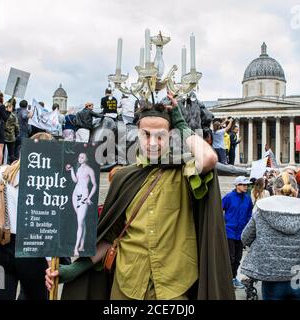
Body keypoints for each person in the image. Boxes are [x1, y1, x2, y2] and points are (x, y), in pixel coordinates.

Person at [46, 93, 235, 300]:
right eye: (146, 134)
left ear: (171, 136)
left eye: (160, 136)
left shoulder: (184, 172)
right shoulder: (124, 178)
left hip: (174, 288)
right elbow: (111, 236)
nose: (153, 142)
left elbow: (209, 158)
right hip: (128, 286)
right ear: (137, 134)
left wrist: (181, 124)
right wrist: (73, 270)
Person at [0, 132, 53, 300]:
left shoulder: (1, 172)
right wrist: (50, 262)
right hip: (33, 254)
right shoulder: (48, 180)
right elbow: (48, 223)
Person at [241, 173, 300, 300]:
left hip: (271, 274)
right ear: (297, 190)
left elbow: (245, 238)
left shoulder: (262, 210)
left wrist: (262, 244)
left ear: (273, 190)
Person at [222, 176, 253, 289]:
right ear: (237, 185)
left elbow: (250, 214)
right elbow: (219, 209)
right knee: (231, 257)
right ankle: (228, 279)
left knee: (238, 258)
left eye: (247, 185)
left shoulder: (248, 198)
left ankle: (234, 278)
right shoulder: (228, 197)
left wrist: (248, 227)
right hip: (229, 232)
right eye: (244, 185)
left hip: (241, 233)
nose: (246, 187)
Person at [66, 153, 98, 257]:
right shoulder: (79, 168)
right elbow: (75, 180)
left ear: (87, 158)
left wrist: (89, 197)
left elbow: (94, 185)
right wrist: (71, 170)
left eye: (82, 157)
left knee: (80, 222)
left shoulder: (90, 170)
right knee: (81, 221)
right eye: (79, 157)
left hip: (84, 196)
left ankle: (76, 248)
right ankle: (82, 245)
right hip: (75, 194)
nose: (80, 159)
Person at [4, 99, 20, 165]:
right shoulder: (13, 116)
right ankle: (12, 165)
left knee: (2, 152)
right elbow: (17, 126)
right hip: (11, 136)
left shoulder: (3, 115)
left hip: (3, 135)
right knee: (11, 153)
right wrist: (16, 134)